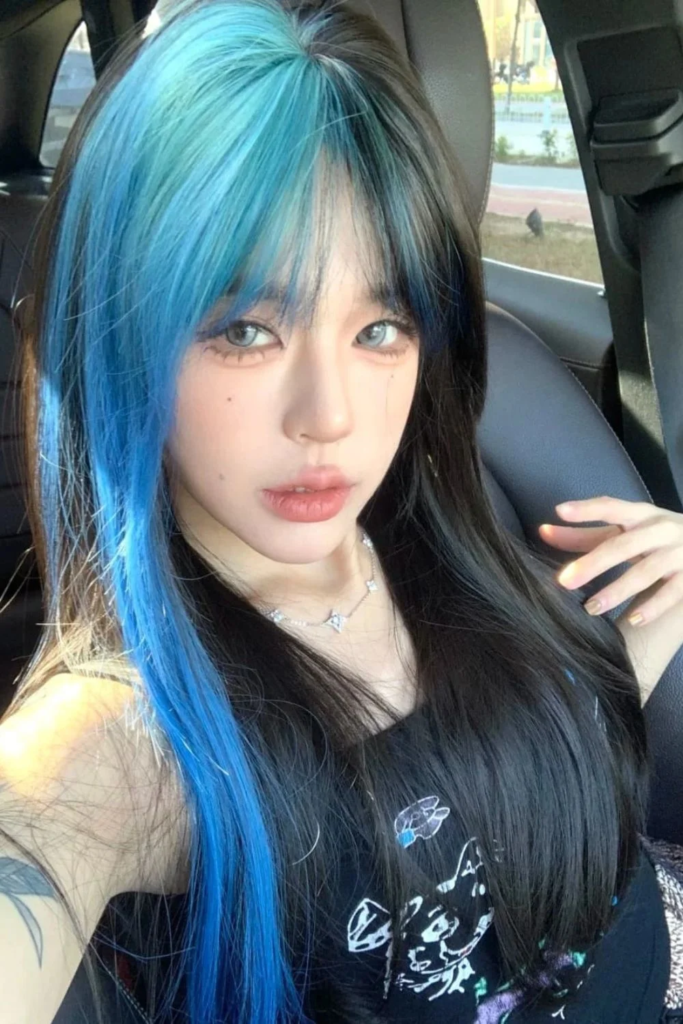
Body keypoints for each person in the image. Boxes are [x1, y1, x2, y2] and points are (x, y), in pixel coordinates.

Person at [0, 0, 678, 1021]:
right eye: (243, 330)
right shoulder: (125, 738)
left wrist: (637, 626)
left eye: (380, 327)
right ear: (118, 337)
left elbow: (540, 749)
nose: (331, 418)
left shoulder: (469, 543)